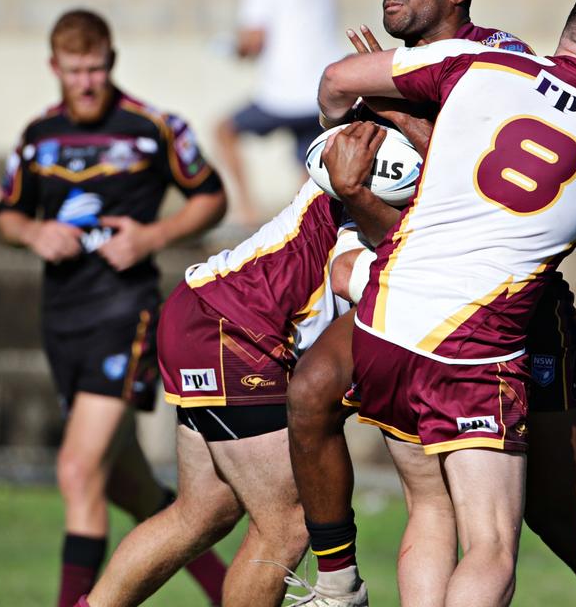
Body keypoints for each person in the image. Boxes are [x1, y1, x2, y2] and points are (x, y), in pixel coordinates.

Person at [287, 0, 576, 607]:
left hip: (388, 318)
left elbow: (337, 81)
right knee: (494, 543)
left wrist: (358, 137)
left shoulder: (483, 66)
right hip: (477, 348)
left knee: (428, 506)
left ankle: (338, 581)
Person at [0, 8, 228, 607]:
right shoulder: (37, 135)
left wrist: (152, 237)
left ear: (112, 62)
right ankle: (232, 591)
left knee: (77, 471)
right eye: (75, 70)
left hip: (124, 314)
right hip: (62, 320)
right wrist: (31, 233)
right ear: (55, 68)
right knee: (129, 487)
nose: (87, 81)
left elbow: (211, 197)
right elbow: (7, 212)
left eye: (96, 68)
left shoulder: (153, 127)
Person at [79, 183, 365, 607]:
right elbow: (353, 273)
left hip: (214, 313)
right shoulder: (382, 151)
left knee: (203, 512)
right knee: (287, 522)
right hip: (234, 329)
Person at [214, 0, 341, 227]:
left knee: (224, 130)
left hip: (282, 92)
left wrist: (233, 47)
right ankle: (302, 224)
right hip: (324, 91)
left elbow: (253, 41)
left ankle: (246, 210)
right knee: (307, 163)